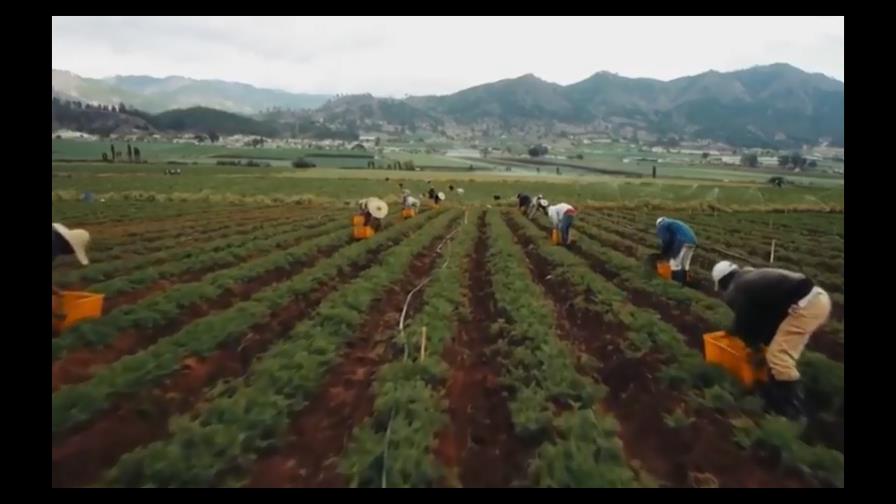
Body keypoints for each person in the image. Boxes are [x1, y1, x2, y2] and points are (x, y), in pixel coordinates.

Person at [711, 261, 831, 420]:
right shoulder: (750, 277)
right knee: (777, 349)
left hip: (806, 305)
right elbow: (766, 317)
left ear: (722, 282)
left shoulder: (736, 289)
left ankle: (792, 411)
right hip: (815, 298)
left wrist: (749, 342)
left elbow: (744, 323)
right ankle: (777, 393)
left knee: (778, 357)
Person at [656, 217, 697, 285]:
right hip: (693, 241)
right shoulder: (673, 222)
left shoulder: (662, 225)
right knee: (685, 264)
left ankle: (676, 282)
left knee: (674, 263)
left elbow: (666, 239)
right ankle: (685, 280)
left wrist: (664, 253)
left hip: (682, 241)